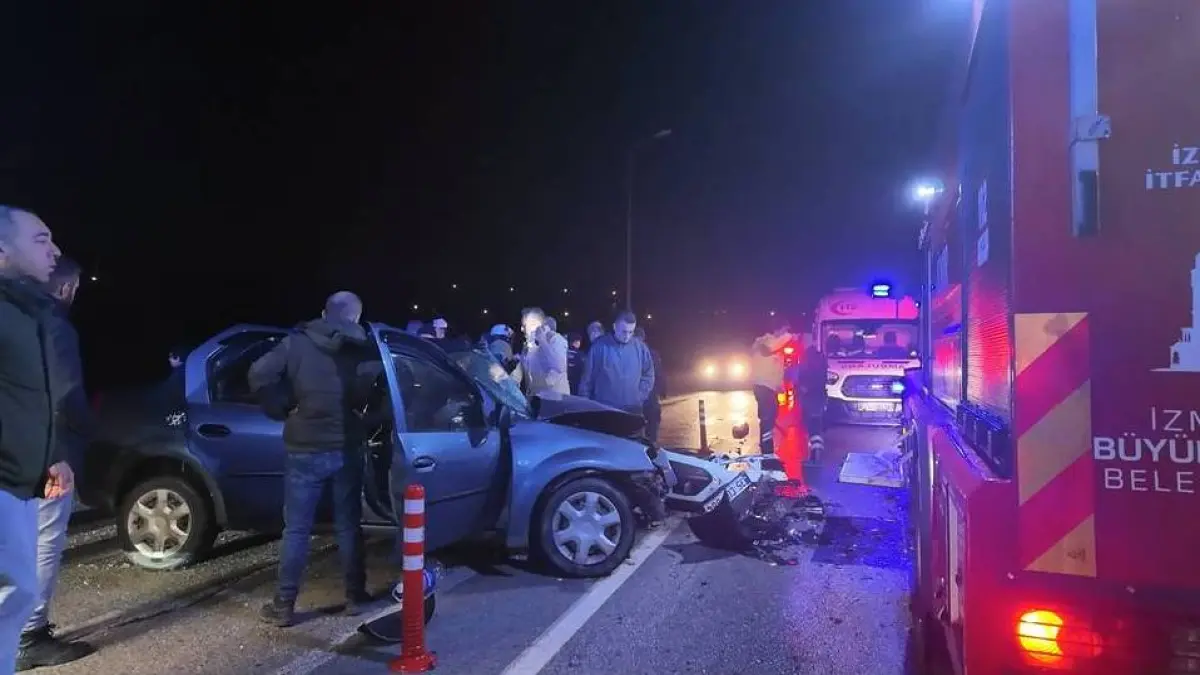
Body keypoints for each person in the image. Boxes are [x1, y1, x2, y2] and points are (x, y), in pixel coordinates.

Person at [248, 291, 381, 627]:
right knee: (348, 525)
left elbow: (258, 374)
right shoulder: (364, 347)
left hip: (303, 446)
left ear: (324, 312)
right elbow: (372, 391)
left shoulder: (296, 343)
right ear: (356, 318)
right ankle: (355, 596)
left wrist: (280, 407)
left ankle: (284, 605)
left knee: (296, 529)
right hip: (346, 445)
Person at [17, 257, 95, 670]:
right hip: (44, 455)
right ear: (65, 288)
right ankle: (29, 636)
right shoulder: (54, 326)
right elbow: (63, 398)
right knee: (43, 541)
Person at [0, 206, 68, 674]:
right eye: (42, 239)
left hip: (24, 484)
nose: (56, 250)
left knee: (19, 590)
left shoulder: (27, 313)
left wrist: (53, 457)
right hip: (3, 483)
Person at [578, 311, 655, 415]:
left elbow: (648, 374)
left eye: (631, 332)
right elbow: (587, 380)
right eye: (624, 331)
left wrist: (639, 396)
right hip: (604, 410)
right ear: (614, 327)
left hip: (633, 410)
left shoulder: (641, 348)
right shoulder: (599, 347)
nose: (627, 336)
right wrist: (585, 406)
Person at [750, 321, 795, 454]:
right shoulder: (764, 341)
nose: (786, 333)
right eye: (785, 329)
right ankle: (766, 451)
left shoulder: (775, 345)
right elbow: (769, 349)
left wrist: (779, 385)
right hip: (763, 386)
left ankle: (767, 445)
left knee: (771, 416)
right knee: (767, 418)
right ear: (778, 329)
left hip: (769, 387)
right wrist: (788, 336)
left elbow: (776, 368)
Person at [633, 326, 665, 443]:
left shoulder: (628, 353)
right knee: (651, 428)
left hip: (637, 399)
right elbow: (659, 374)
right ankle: (651, 450)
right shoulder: (652, 353)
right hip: (649, 397)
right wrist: (662, 390)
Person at [529, 316, 570, 397]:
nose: (537, 331)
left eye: (539, 328)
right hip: (545, 394)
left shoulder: (558, 340)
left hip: (557, 395)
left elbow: (559, 366)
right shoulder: (542, 345)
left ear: (546, 328)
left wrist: (542, 340)